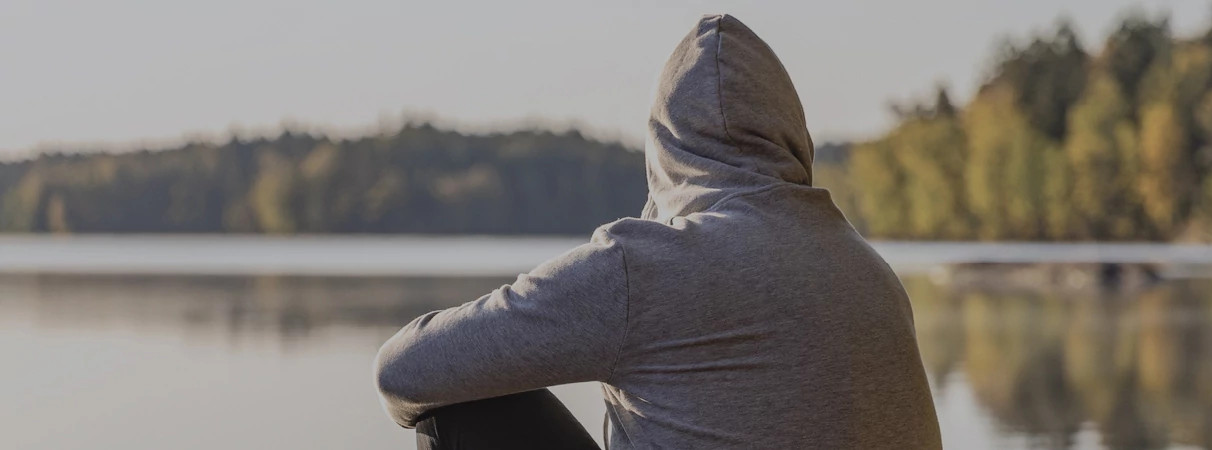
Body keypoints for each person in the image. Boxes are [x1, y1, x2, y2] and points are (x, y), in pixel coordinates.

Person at [375, 14, 942, 449]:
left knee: (461, 401)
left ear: (667, 148)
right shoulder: (870, 270)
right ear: (793, 136)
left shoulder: (646, 267)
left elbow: (404, 370)